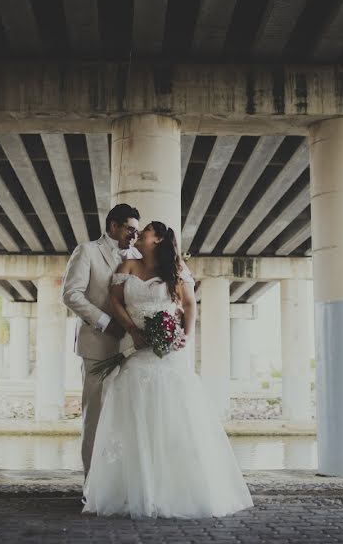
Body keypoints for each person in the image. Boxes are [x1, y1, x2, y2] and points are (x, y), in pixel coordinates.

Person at [82, 221, 253, 518]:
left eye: (146, 230)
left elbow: (189, 304)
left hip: (168, 354)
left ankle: (171, 488)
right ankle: (135, 489)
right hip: (136, 349)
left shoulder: (175, 268)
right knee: (133, 417)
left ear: (158, 239)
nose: (140, 234)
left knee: (174, 419)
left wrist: (183, 335)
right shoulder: (129, 264)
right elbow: (115, 300)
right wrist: (131, 329)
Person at [62, 203, 141, 478]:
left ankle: (119, 482)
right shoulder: (87, 251)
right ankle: (92, 486)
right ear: (113, 226)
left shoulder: (137, 256)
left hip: (132, 351)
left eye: (137, 231)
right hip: (96, 346)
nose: (134, 235)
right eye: (130, 229)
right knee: (95, 416)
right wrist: (106, 323)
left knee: (126, 417)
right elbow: (72, 294)